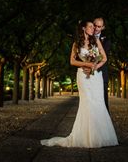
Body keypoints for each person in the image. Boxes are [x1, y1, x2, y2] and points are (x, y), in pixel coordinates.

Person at [40, 20, 118, 148]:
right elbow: (72, 61)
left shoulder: (96, 41)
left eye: (94, 27)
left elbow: (104, 58)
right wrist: (86, 64)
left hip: (96, 76)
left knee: (98, 103)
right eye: (91, 26)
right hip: (83, 76)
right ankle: (86, 137)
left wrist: (94, 66)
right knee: (87, 103)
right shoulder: (77, 43)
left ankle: (102, 137)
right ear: (84, 28)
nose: (93, 28)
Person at [93, 17, 111, 110]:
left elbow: (104, 56)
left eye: (99, 26)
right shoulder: (86, 37)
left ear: (103, 27)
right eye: (95, 25)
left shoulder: (107, 40)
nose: (96, 28)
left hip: (101, 74)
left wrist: (91, 61)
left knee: (104, 103)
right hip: (88, 75)